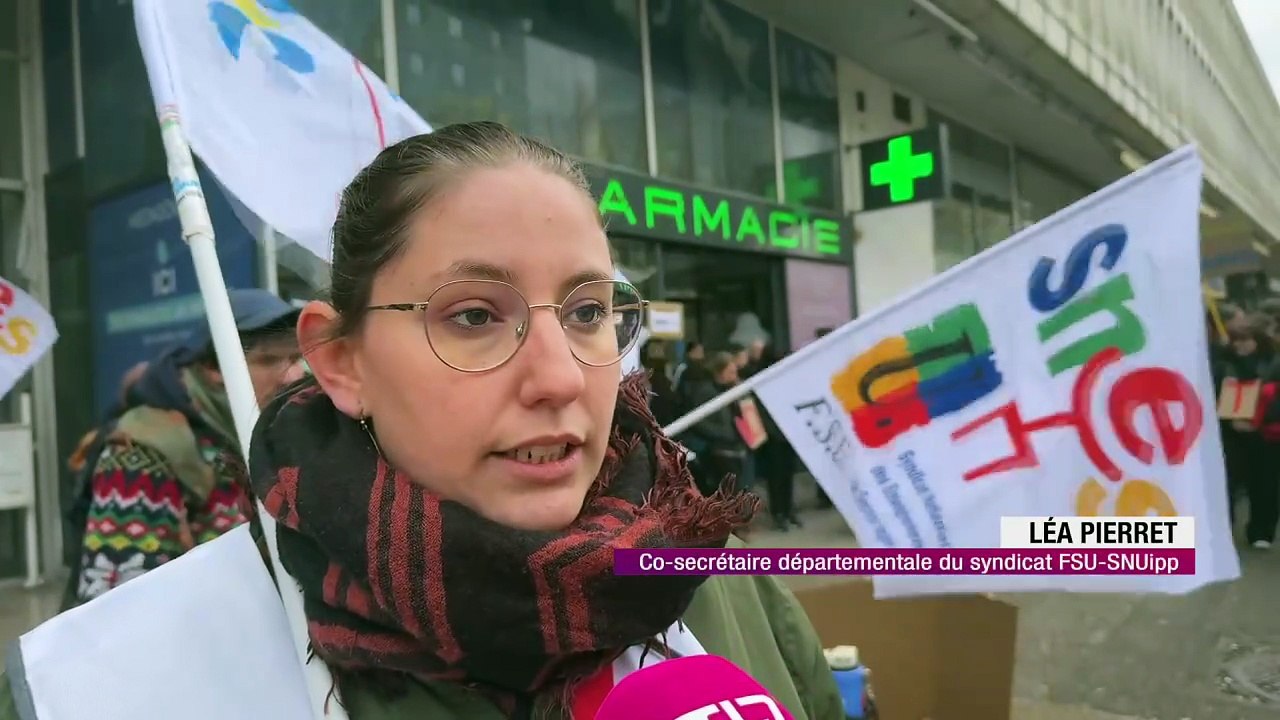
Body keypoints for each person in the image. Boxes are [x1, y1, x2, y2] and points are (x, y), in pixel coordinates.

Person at [1, 122, 841, 719]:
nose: (559, 378)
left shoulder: (721, 579)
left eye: (587, 311)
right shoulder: (118, 677)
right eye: (474, 316)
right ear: (341, 361)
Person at [57, 289, 303, 610]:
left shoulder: (280, 433)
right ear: (214, 367)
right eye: (269, 360)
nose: (293, 375)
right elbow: (117, 606)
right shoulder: (142, 452)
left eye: (297, 357)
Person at [1220, 317, 1279, 549]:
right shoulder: (1224, 363)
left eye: (1245, 340)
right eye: (1235, 340)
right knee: (1228, 484)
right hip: (1231, 433)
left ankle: (1261, 531)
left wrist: (1260, 421)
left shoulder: (1273, 364)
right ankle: (1225, 529)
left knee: (1265, 484)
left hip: (1264, 435)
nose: (1239, 345)